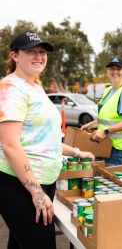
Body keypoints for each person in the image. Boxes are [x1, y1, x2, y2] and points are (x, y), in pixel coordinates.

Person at [0, 31, 95, 249]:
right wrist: (36, 192)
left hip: (43, 180)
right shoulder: (11, 88)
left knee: (20, 243)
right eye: (30, 51)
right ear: (15, 56)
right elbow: (10, 145)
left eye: (42, 52)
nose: (38, 56)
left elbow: (47, 140)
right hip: (19, 184)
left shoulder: (36, 88)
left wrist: (77, 152)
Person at [81, 57, 122, 166]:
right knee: (100, 179)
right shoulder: (108, 91)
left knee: (111, 181)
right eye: (112, 68)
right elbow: (109, 118)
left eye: (119, 69)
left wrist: (105, 131)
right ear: (107, 72)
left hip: (119, 149)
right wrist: (90, 125)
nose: (115, 72)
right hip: (105, 144)